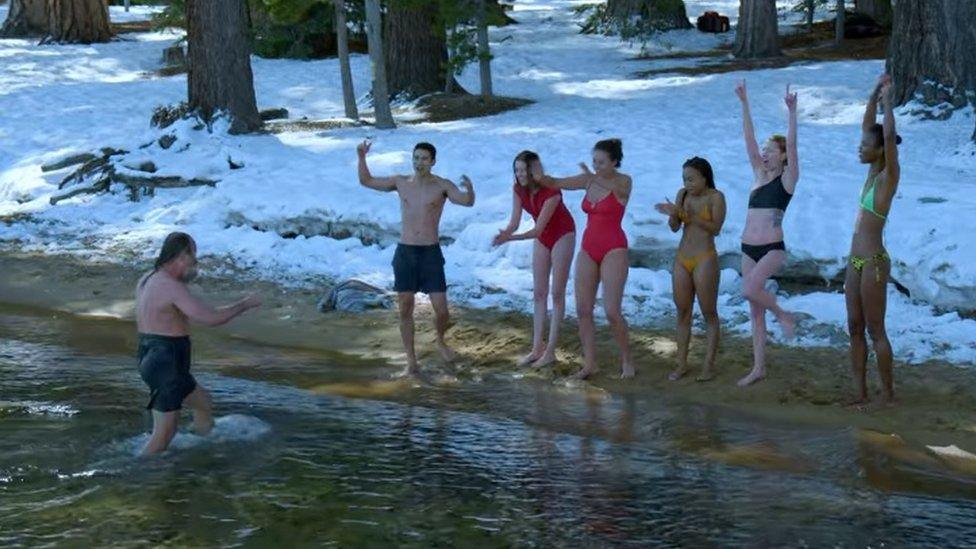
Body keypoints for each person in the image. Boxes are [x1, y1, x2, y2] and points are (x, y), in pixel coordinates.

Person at [357, 140, 475, 376]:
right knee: (405, 309)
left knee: (442, 310)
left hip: (430, 253)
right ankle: (411, 361)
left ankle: (440, 340)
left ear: (433, 162)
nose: (419, 162)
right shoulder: (401, 182)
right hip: (406, 252)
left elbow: (465, 201)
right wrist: (361, 157)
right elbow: (367, 181)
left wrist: (470, 190)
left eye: (424, 159)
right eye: (416, 158)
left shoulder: (441, 185)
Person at [135, 232, 261, 455]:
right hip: (166, 361)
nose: (195, 265)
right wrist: (245, 304)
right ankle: (133, 475)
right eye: (194, 258)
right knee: (164, 436)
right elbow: (210, 318)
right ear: (181, 256)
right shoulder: (170, 286)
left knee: (202, 402)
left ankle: (204, 445)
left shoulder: (149, 278)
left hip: (154, 355)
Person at [541, 139, 634, 379]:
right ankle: (590, 363)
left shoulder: (623, 181)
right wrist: (535, 173)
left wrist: (591, 178)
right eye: (594, 161)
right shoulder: (589, 180)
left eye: (602, 162)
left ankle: (627, 360)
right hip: (588, 248)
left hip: (614, 248)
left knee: (612, 311)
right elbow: (555, 182)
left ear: (614, 161)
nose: (597, 166)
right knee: (583, 310)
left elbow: (616, 189)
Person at [734, 80, 800, 387]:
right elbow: (748, 139)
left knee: (750, 290)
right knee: (754, 310)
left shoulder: (787, 180)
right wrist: (744, 102)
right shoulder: (758, 176)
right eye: (765, 150)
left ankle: (783, 314)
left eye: (771, 150)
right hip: (748, 248)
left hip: (772, 247)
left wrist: (792, 112)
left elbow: (794, 146)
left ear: (783, 156)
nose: (764, 154)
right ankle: (759, 367)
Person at [846, 74, 901, 407]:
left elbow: (889, 136)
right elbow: (870, 127)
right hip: (854, 260)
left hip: (874, 262)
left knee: (875, 329)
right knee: (854, 326)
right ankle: (859, 391)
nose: (860, 148)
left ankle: (888, 394)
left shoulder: (887, 177)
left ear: (880, 151)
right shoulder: (871, 172)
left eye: (865, 146)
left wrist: (888, 103)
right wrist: (871, 98)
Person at [493, 150, 576, 368]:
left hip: (562, 234)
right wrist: (506, 233)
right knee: (539, 293)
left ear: (534, 170)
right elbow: (514, 221)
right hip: (543, 236)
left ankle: (550, 351)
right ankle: (537, 347)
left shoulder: (552, 190)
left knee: (557, 293)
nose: (519, 174)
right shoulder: (518, 189)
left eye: (524, 170)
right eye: (517, 170)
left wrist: (511, 238)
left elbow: (538, 229)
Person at [654, 157, 727, 382]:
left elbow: (716, 228)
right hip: (682, 258)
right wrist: (673, 215)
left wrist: (689, 216)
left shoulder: (716, 197)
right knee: (683, 311)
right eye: (685, 179)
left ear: (705, 177)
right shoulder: (682, 195)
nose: (688, 184)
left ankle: (708, 365)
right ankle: (682, 363)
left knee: (709, 312)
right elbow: (675, 228)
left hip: (705, 258)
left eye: (692, 179)